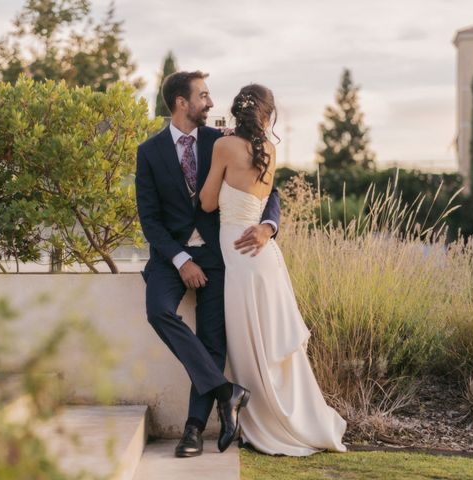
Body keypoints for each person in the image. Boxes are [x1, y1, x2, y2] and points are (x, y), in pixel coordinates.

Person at [134, 71, 281, 457]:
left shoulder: (223, 141)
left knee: (212, 341)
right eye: (203, 95)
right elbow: (149, 219)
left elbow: (271, 187)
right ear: (182, 102)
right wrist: (181, 259)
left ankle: (194, 429)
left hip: (218, 257)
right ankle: (223, 390)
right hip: (171, 258)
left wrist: (269, 225)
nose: (211, 103)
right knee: (158, 311)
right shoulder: (148, 152)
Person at [199, 84, 347, 456]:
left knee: (249, 346)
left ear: (237, 111)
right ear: (267, 115)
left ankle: (264, 423)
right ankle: (289, 417)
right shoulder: (271, 150)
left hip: (240, 257)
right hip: (264, 258)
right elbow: (264, 196)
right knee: (268, 346)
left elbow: (206, 202)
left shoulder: (223, 147)